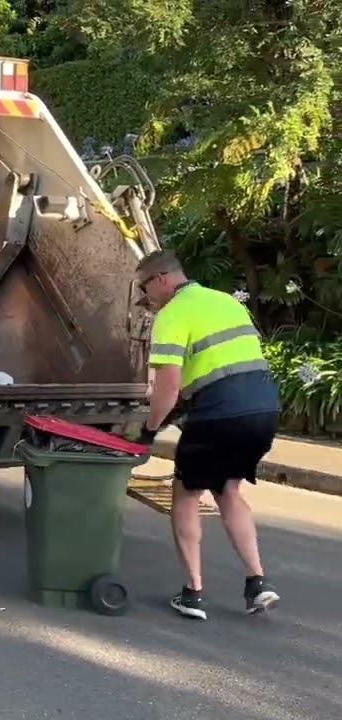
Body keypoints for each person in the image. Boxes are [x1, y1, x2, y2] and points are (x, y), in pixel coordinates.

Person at [131, 249, 281, 621]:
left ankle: (193, 594)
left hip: (218, 413)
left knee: (186, 493)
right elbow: (223, 363)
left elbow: (168, 385)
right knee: (228, 490)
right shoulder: (225, 303)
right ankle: (257, 583)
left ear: (162, 279)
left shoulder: (171, 314)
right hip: (263, 409)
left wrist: (149, 430)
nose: (146, 298)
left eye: (145, 288)